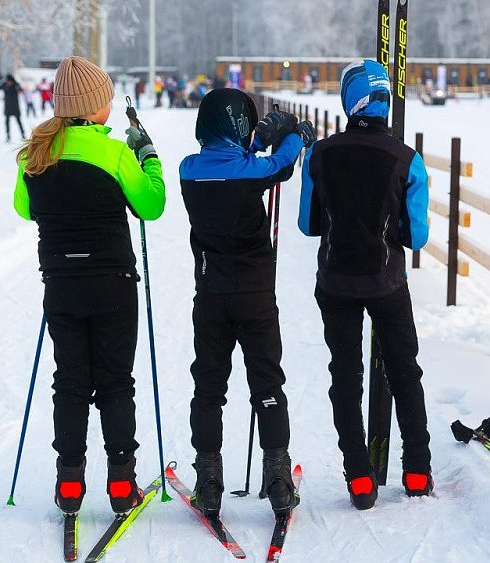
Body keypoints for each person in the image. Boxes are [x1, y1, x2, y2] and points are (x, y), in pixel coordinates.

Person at [12, 56, 166, 517]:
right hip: (113, 283)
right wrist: (149, 157)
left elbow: (26, 209)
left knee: (71, 382)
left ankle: (70, 484)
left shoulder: (34, 155)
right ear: (95, 106)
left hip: (60, 284)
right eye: (107, 101)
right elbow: (152, 205)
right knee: (117, 382)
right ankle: (121, 484)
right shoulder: (115, 152)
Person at [298, 59, 432, 510]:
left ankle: (358, 476)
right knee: (405, 372)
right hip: (387, 282)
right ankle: (416, 471)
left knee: (346, 376)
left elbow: (308, 224)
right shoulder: (407, 160)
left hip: (336, 282)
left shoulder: (319, 154)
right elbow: (417, 237)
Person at [178, 89, 315, 518]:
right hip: (255, 294)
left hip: (211, 296)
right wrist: (295, 134)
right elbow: (280, 164)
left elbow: (237, 159)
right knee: (267, 384)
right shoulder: (254, 173)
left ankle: (209, 479)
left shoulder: (189, 171)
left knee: (208, 388)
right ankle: (276, 476)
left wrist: (257, 141)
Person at [0, 74, 26, 142]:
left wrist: (18, 87)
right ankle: (8, 136)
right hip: (8, 107)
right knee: (7, 122)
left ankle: (23, 134)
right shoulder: (4, 85)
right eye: (7, 81)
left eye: (9, 81)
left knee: (19, 121)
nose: (8, 83)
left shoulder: (16, 84)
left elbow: (21, 90)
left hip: (15, 106)